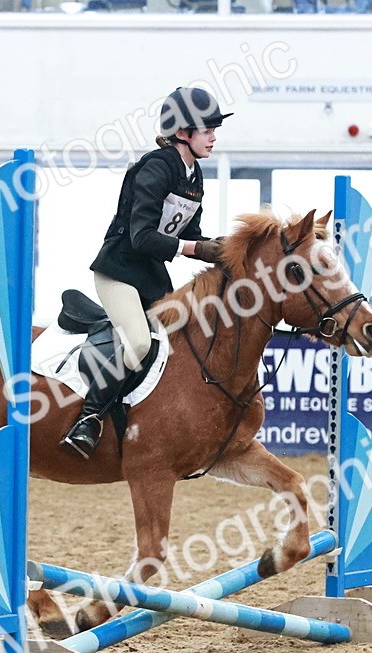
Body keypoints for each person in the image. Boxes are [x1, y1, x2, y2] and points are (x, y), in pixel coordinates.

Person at [61, 86, 231, 460]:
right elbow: (142, 237)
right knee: (139, 343)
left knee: (183, 342)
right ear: (183, 133)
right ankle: (89, 418)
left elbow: (188, 236)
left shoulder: (193, 174)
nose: (214, 137)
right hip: (119, 270)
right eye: (207, 130)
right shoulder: (156, 167)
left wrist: (224, 248)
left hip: (152, 277)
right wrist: (198, 249)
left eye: (215, 130)